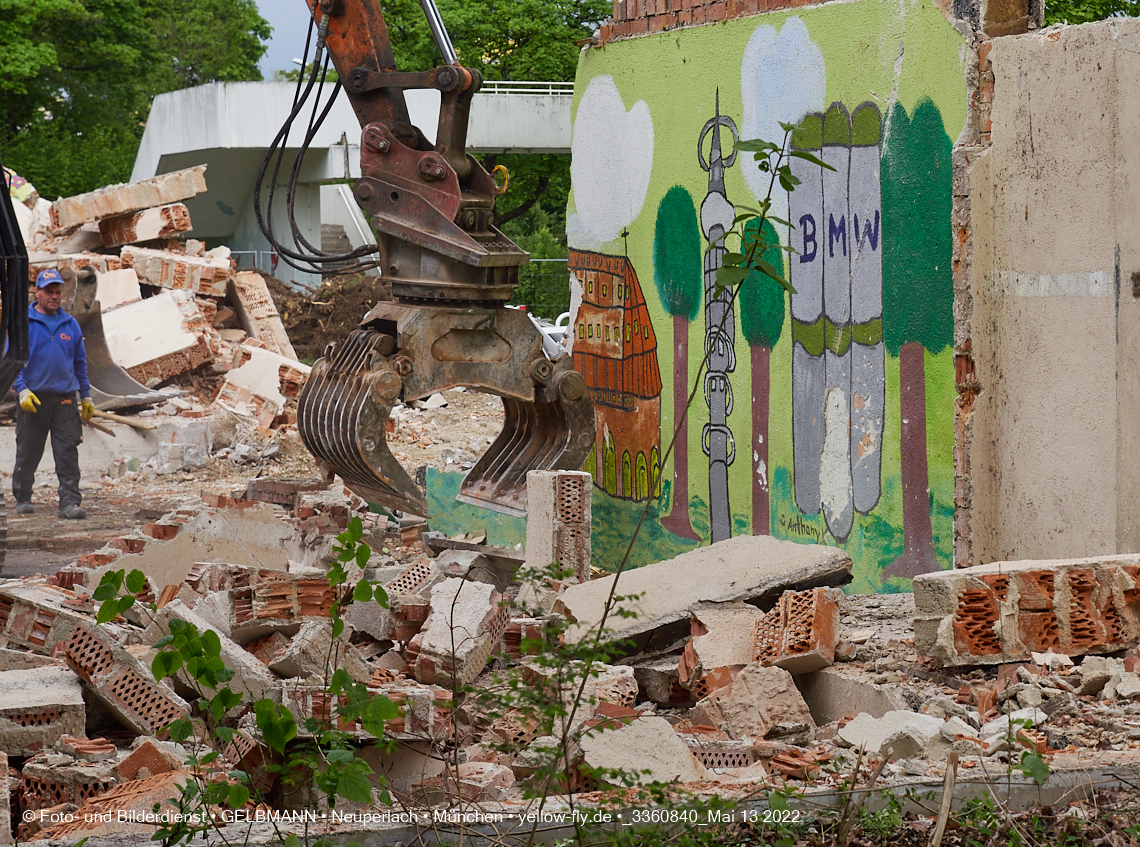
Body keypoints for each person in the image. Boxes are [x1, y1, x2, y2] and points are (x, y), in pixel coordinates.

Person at [12, 269, 95, 519]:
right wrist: (22, 390)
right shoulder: (23, 324)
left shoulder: (70, 324)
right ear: (36, 292)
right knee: (28, 451)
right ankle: (23, 495)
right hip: (33, 400)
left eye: (58, 292)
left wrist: (86, 395)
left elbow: (79, 363)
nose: (55, 296)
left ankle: (70, 503)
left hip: (65, 399)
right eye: (49, 291)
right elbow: (13, 361)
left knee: (67, 452)